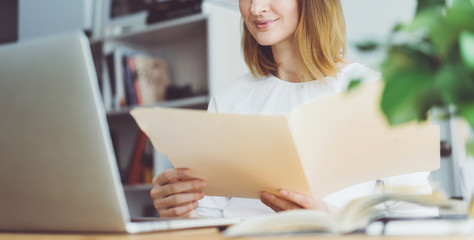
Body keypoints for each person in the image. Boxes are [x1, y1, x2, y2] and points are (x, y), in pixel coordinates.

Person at [150, 0, 437, 218]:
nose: (256, 8)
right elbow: (207, 216)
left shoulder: (374, 92)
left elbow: (417, 217)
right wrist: (178, 207)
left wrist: (335, 225)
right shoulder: (229, 99)